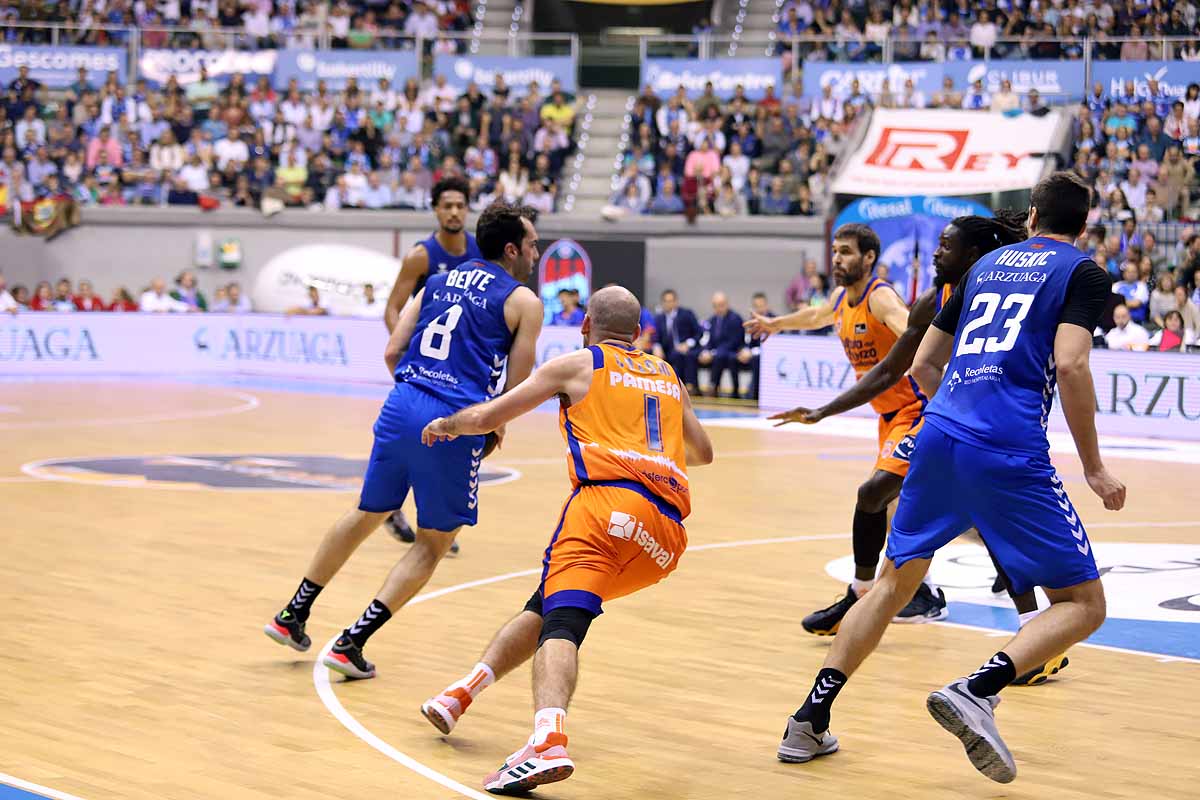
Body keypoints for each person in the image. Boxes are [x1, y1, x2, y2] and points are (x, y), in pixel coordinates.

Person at [777, 171, 1123, 784]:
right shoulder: (1082, 272)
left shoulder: (980, 271)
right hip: (1008, 446)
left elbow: (924, 363)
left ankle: (808, 719)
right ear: (1083, 224)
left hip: (937, 434)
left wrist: (957, 413)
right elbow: (1070, 364)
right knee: (1084, 604)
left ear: (1034, 216)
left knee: (890, 584)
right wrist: (1093, 466)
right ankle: (979, 688)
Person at [417, 286, 713, 794]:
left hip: (606, 506)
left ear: (585, 324)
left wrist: (445, 425)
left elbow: (489, 416)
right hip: (664, 537)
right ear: (639, 330)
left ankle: (547, 741)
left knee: (563, 622)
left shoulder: (577, 364)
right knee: (549, 602)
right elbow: (703, 452)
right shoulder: (668, 375)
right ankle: (462, 693)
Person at [766, 211, 1069, 684]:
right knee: (950, 513)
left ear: (972, 255)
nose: (934, 252)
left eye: (945, 245)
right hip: (920, 419)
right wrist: (816, 397)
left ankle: (871, 594)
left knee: (877, 495)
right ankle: (1016, 624)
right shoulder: (934, 299)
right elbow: (891, 365)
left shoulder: (906, 296)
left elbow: (904, 364)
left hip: (940, 418)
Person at [262, 202, 544, 680]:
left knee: (365, 513)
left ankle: (292, 614)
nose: (537, 254)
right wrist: (487, 429)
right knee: (435, 541)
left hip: (402, 401)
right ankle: (351, 642)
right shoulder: (523, 302)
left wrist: (414, 392)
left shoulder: (435, 282)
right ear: (512, 249)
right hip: (453, 418)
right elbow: (513, 394)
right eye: (534, 244)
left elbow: (393, 349)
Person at [746, 225, 947, 624]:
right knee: (897, 503)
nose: (837, 259)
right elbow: (816, 315)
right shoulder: (841, 298)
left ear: (869, 258)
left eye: (846, 252)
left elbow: (916, 335)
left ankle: (898, 591)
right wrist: (777, 323)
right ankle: (933, 584)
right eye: (835, 252)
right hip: (888, 418)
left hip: (917, 410)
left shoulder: (881, 297)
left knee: (879, 495)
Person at [380, 175, 483, 546]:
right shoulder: (421, 256)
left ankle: (436, 520)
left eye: (460, 205)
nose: (454, 212)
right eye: (447, 205)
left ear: (467, 209)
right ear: (436, 209)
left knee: (449, 438)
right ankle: (393, 506)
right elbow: (393, 307)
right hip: (424, 367)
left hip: (460, 368)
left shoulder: (479, 251)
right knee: (414, 436)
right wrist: (406, 348)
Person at [697, 291, 747, 397]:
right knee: (699, 355)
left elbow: (734, 342)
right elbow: (708, 340)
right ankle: (697, 387)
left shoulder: (735, 318)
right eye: (716, 306)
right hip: (718, 353)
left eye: (721, 305)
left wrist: (713, 353)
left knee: (722, 356)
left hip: (733, 351)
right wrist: (705, 351)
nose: (719, 308)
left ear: (727, 304)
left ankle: (714, 385)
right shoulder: (712, 320)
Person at [652, 289, 701, 395]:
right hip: (668, 350)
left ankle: (688, 387)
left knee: (684, 356)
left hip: (686, 349)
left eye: (671, 301)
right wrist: (657, 346)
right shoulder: (659, 318)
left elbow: (698, 333)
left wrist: (688, 344)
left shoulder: (687, 314)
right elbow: (656, 337)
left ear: (676, 301)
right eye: (666, 301)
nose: (668, 304)